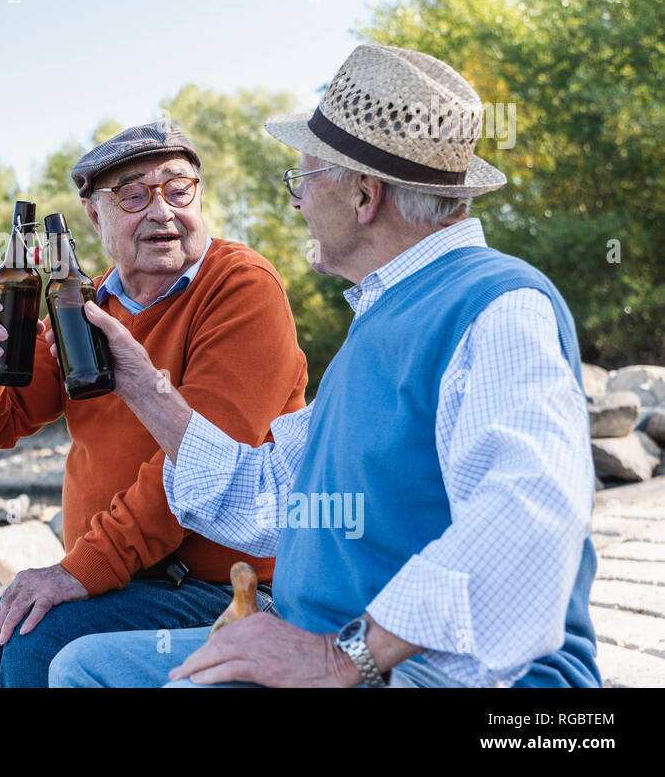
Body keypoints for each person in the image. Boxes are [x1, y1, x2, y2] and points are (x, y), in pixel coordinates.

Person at [48, 44, 600, 688]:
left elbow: (527, 521)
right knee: (87, 666)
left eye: (303, 180)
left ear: (364, 195)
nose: (296, 203)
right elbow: (272, 496)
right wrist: (143, 385)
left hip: (453, 674)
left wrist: (342, 658)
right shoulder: (380, 322)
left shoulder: (496, 306)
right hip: (338, 644)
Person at [0, 120, 309, 687]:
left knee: (41, 647)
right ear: (94, 216)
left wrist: (80, 570)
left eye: (178, 188)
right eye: (133, 195)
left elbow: (202, 462)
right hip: (121, 584)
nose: (161, 210)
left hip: (231, 587)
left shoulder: (241, 286)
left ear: (199, 196)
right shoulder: (85, 302)